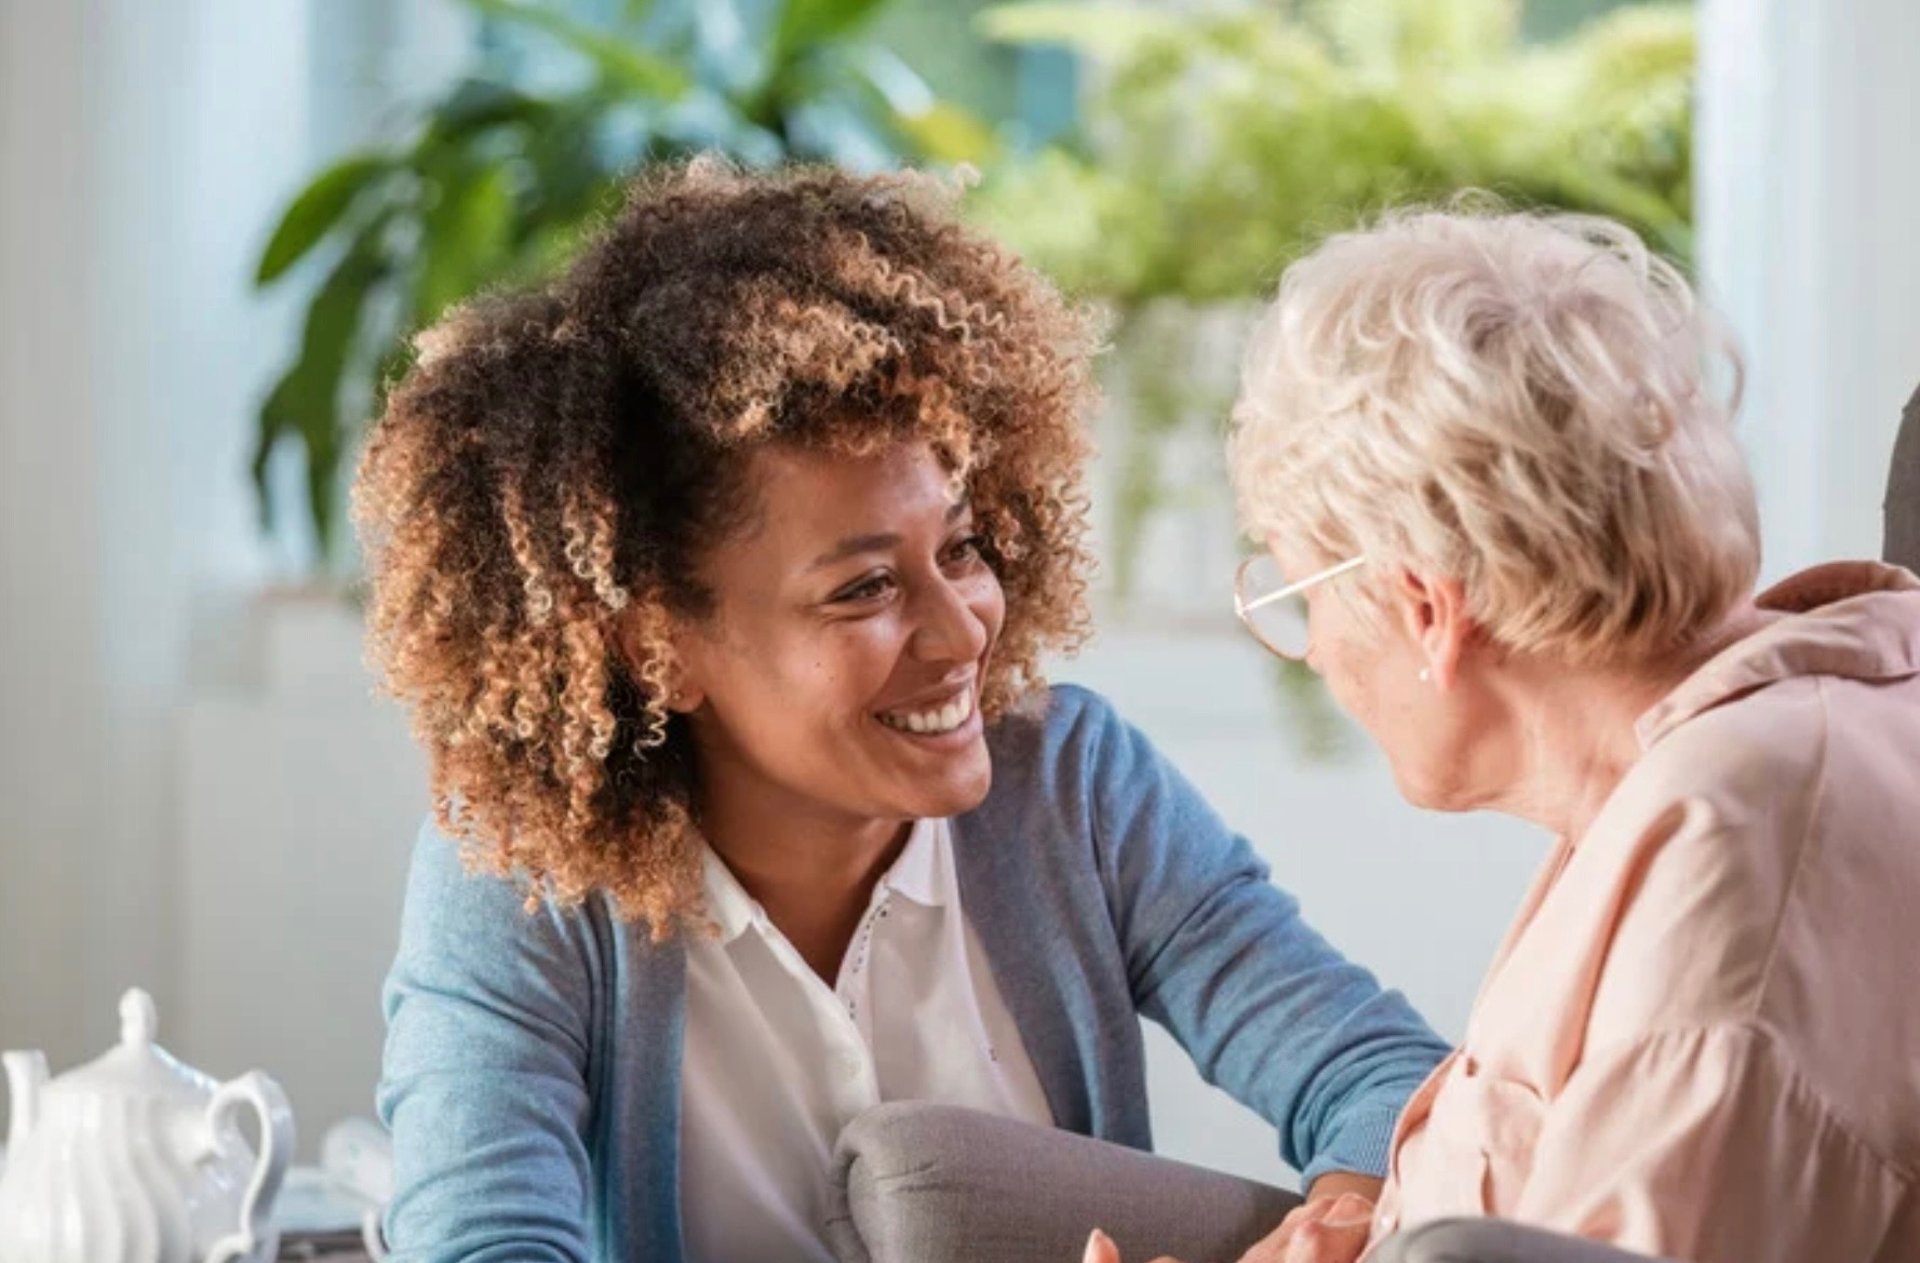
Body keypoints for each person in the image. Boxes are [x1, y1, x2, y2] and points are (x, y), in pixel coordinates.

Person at [358, 159, 1449, 1263]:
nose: (965, 629)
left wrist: (1329, 1238)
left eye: (961, 549)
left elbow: (1387, 1084)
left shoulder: (1073, 788)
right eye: (864, 589)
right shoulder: (525, 880)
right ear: (659, 645)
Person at [1097, 202, 1920, 1263]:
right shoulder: (1735, 752)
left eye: (1305, 596)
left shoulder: (1733, 848)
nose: (1316, 652)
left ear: (1425, 609)